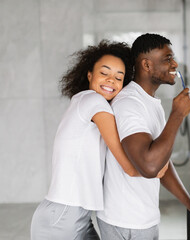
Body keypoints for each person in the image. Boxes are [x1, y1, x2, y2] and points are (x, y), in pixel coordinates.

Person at [31, 40, 167, 240]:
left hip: (76, 215)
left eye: (118, 77)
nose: (111, 80)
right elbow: (129, 167)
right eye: (104, 73)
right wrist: (157, 167)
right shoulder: (94, 102)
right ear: (89, 75)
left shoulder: (82, 102)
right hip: (63, 217)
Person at [97, 33, 190, 240]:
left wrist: (189, 203)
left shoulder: (151, 103)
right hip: (124, 222)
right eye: (167, 58)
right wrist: (177, 115)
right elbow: (149, 166)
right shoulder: (129, 104)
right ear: (147, 65)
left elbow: (161, 162)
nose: (175, 63)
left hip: (144, 219)